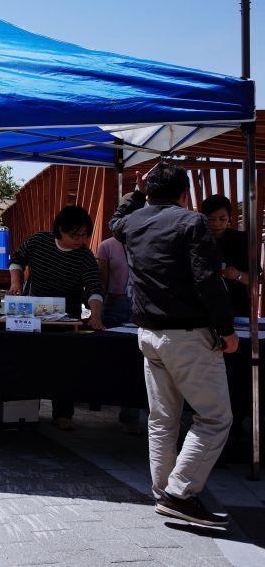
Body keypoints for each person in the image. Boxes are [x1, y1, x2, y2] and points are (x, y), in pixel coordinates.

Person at [110, 164, 235, 528]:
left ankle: (163, 491)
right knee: (214, 418)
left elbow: (116, 219)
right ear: (184, 194)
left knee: (162, 419)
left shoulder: (132, 224)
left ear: (149, 193)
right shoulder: (191, 222)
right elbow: (207, 281)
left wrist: (134, 191)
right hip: (187, 335)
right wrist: (226, 329)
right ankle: (179, 493)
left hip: (147, 334)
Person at [9, 205, 105, 430]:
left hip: (67, 318)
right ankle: (23, 409)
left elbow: (94, 288)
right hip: (32, 314)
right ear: (60, 230)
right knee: (28, 363)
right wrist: (16, 282)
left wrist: (95, 315)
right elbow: (17, 259)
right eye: (75, 235)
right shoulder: (38, 241)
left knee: (64, 366)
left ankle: (63, 414)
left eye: (84, 235)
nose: (81, 240)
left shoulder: (84, 255)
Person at [200, 194, 253, 461]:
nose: (217, 224)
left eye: (222, 219)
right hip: (205, 316)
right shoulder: (197, 240)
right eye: (211, 220)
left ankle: (237, 422)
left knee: (238, 370)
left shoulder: (240, 241)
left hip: (238, 314)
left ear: (230, 218)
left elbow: (255, 278)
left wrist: (238, 275)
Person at [97, 229, 144, 434]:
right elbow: (102, 281)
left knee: (137, 361)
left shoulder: (146, 241)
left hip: (140, 305)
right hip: (114, 303)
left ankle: (130, 416)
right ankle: (99, 399)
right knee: (111, 357)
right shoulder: (107, 246)